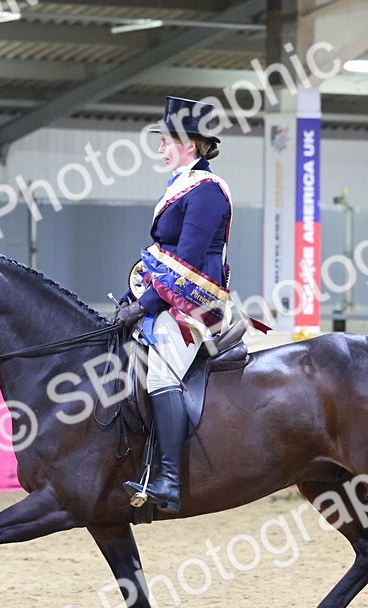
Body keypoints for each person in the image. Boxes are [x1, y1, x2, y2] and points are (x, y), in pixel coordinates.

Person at [115, 96, 234, 514]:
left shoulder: (206, 193)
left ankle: (167, 480)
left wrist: (145, 303)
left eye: (165, 141)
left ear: (190, 144)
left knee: (161, 372)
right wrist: (135, 298)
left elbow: (185, 264)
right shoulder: (181, 186)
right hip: (171, 297)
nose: (161, 149)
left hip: (197, 305)